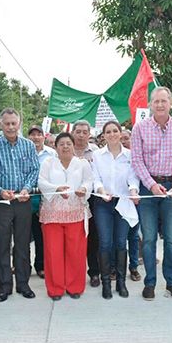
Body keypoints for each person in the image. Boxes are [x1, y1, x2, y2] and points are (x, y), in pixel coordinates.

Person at [131, 86, 172, 301]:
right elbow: (137, 161)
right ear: (150, 104)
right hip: (149, 189)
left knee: (170, 239)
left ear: (171, 103)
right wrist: (150, 184)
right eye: (155, 101)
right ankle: (150, 283)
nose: (159, 105)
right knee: (148, 239)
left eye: (163, 101)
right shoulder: (139, 128)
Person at [0, 108, 40, 302]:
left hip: (23, 200)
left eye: (13, 123)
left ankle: (23, 284)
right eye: (7, 123)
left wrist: (26, 189)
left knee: (23, 244)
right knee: (2, 244)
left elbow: (34, 169)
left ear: (19, 124)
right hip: (1, 201)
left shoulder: (28, 145)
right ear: (0, 124)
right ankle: (4, 286)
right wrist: (0, 191)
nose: (10, 127)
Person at [38, 132, 93, 300]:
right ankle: (55, 289)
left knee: (76, 252)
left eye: (68, 143)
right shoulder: (48, 162)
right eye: (61, 144)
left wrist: (84, 189)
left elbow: (88, 181)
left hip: (76, 213)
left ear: (73, 145)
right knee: (53, 252)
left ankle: (75, 287)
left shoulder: (82, 164)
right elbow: (41, 182)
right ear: (56, 147)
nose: (65, 146)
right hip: (52, 214)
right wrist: (56, 189)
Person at [91, 121, 139, 299]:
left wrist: (134, 191)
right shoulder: (97, 155)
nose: (112, 134)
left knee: (121, 242)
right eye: (108, 132)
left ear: (120, 133)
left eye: (115, 131)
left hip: (123, 203)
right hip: (103, 203)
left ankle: (121, 282)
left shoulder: (130, 155)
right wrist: (102, 192)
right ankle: (106, 283)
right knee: (105, 242)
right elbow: (96, 179)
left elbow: (134, 179)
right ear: (103, 135)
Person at [72, 120, 101, 287]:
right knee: (74, 238)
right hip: (70, 199)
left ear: (89, 134)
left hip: (92, 199)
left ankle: (94, 272)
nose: (81, 135)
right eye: (78, 131)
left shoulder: (96, 152)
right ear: (73, 132)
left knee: (92, 237)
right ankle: (75, 273)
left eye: (85, 132)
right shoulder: (66, 148)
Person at [28, 124, 57, 278]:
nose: (35, 137)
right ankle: (22, 266)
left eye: (38, 134)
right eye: (32, 134)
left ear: (43, 136)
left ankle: (40, 265)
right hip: (26, 197)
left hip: (45, 198)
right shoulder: (24, 151)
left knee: (41, 235)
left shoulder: (52, 154)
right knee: (23, 235)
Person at [120, 129, 141, 281]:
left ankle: (133, 267)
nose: (123, 141)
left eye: (126, 138)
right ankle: (116, 267)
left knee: (133, 236)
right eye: (120, 139)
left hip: (135, 200)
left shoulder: (136, 156)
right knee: (119, 238)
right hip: (118, 201)